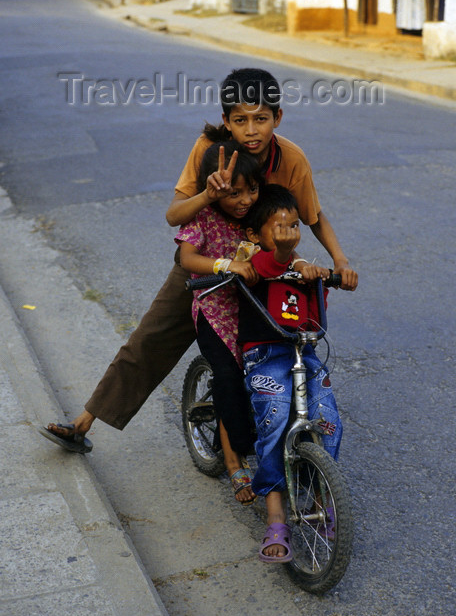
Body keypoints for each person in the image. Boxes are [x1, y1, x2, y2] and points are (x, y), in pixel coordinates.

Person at [40, 67, 357, 460]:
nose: (252, 130)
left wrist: (340, 260)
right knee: (149, 340)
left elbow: (313, 216)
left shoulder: (291, 159)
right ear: (226, 121)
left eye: (261, 118)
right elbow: (175, 214)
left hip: (261, 267)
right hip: (206, 264)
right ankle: (83, 423)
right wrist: (208, 195)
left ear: (278, 117)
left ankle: (276, 447)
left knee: (283, 345)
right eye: (240, 120)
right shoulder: (209, 148)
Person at [238, 184, 343, 562]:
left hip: (304, 353)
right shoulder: (253, 263)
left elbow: (313, 319)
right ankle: (276, 516)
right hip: (266, 356)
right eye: (279, 227)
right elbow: (270, 264)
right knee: (276, 414)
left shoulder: (300, 266)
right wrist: (287, 256)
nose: (289, 233)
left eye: (294, 226)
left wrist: (323, 279)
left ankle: (320, 495)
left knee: (328, 418)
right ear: (255, 235)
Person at [175, 140, 261, 504]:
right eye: (235, 193)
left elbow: (280, 241)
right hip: (214, 309)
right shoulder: (204, 217)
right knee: (228, 377)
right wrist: (226, 265)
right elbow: (187, 258)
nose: (245, 200)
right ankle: (233, 461)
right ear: (214, 189)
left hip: (253, 309)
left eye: (252, 190)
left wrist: (302, 264)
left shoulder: (256, 217)